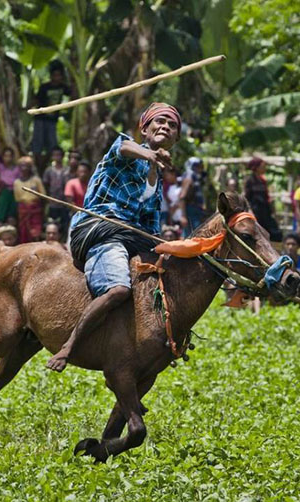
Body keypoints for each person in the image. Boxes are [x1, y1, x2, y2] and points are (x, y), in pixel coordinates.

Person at [49, 102, 181, 372]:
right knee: (119, 289)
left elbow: (152, 230)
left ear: (175, 139)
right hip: (100, 230)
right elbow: (124, 148)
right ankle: (69, 345)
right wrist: (150, 155)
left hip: (132, 238)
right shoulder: (126, 148)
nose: (165, 127)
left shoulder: (157, 185)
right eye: (159, 122)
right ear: (144, 128)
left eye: (172, 126)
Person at [32, 60, 71, 172]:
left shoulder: (63, 87)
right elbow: (36, 99)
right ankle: (38, 167)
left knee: (52, 146)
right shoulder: (45, 87)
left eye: (59, 75)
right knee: (37, 146)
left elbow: (72, 93)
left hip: (52, 120)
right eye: (55, 75)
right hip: (41, 119)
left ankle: (43, 166)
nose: (57, 78)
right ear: (51, 76)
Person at [243, 157, 282, 242]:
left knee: (275, 234)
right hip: (256, 212)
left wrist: (272, 208)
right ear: (256, 168)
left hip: (265, 211)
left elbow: (266, 197)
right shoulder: (249, 181)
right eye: (262, 166)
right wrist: (250, 211)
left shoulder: (263, 180)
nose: (264, 168)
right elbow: (246, 198)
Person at [13, 156, 45, 244]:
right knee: (24, 231)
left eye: (26, 166)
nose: (24, 168)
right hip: (23, 209)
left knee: (35, 232)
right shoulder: (16, 182)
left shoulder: (36, 180)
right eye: (22, 166)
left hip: (35, 209)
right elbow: (17, 198)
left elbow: (43, 195)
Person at [42, 146, 70, 229]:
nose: (57, 157)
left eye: (59, 155)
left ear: (62, 156)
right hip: (52, 202)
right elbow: (46, 185)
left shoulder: (67, 170)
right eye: (55, 155)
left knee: (64, 224)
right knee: (52, 223)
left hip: (64, 203)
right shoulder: (49, 170)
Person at [178, 157, 207, 236]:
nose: (199, 169)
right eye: (197, 166)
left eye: (201, 166)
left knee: (197, 234)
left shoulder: (196, 178)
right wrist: (183, 216)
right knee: (191, 235)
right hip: (190, 210)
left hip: (196, 210)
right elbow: (182, 197)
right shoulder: (189, 176)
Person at [0, 147, 20, 223]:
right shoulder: (1, 168)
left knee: (12, 216)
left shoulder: (17, 169)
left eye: (10, 156)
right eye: (6, 156)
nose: (8, 158)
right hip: (3, 191)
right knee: (1, 214)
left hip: (14, 193)